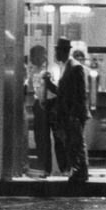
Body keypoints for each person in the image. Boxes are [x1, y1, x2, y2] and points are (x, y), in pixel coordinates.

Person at [54, 37, 89, 184]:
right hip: (69, 113)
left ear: (64, 51)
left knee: (76, 143)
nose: (56, 54)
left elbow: (79, 94)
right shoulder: (67, 67)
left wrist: (74, 114)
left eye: (57, 50)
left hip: (73, 114)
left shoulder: (75, 67)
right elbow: (64, 92)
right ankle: (77, 171)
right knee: (72, 143)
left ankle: (81, 172)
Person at [27, 43, 61, 177]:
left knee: (53, 137)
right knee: (40, 137)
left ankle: (56, 167)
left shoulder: (52, 68)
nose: (31, 59)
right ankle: (44, 167)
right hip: (38, 104)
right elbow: (30, 87)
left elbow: (56, 88)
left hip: (51, 104)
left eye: (33, 56)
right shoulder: (33, 70)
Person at [71, 45, 99, 156]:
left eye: (80, 57)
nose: (79, 59)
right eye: (76, 57)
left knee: (80, 134)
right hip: (80, 105)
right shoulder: (74, 71)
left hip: (82, 105)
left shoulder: (88, 72)